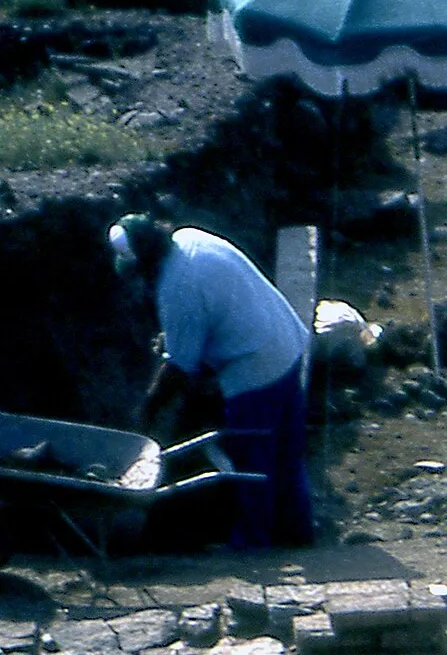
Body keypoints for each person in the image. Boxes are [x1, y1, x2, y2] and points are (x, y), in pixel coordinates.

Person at [108, 214, 313, 551]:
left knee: (252, 460)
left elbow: (179, 367)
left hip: (255, 369)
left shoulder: (176, 288)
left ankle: (252, 542)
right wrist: (177, 340)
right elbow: (211, 312)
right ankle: (298, 530)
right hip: (287, 343)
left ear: (145, 261)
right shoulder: (191, 238)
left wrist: (148, 409)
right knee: (287, 453)